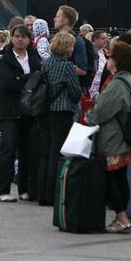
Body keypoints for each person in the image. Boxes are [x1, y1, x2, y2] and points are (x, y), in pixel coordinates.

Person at [87, 41, 131, 234]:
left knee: (110, 180)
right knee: (120, 179)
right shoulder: (127, 79)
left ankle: (122, 218)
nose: (107, 59)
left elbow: (102, 111)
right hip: (123, 138)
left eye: (110, 56)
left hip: (112, 138)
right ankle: (121, 217)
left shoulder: (117, 83)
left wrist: (89, 116)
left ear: (115, 61)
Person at [0, 24, 41, 202]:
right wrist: (28, 79)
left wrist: (22, 80)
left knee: (27, 151)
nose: (20, 39)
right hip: (9, 110)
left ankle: (25, 188)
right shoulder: (4, 59)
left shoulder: (34, 58)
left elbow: (39, 78)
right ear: (11, 38)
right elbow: (6, 83)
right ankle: (1, 189)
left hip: (29, 111)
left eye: (23, 36)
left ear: (29, 40)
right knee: (8, 149)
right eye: (17, 36)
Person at [41, 32, 82, 206]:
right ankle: (53, 194)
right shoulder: (67, 66)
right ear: (66, 47)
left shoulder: (45, 63)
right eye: (71, 46)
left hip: (45, 111)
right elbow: (75, 91)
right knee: (57, 154)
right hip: (62, 112)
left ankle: (42, 193)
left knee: (46, 153)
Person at [53, 6, 88, 80]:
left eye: (57, 17)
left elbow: (82, 70)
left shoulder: (77, 41)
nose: (54, 19)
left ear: (65, 21)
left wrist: (54, 69)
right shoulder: (54, 39)